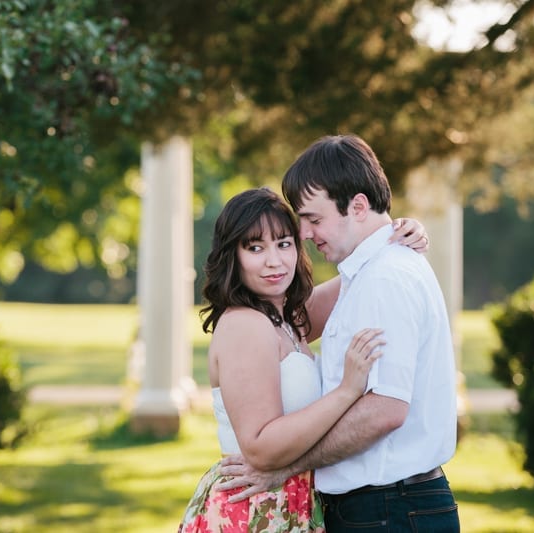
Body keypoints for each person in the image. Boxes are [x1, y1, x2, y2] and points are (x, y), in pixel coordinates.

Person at [218, 135, 460, 532]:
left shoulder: (384, 277)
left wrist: (291, 467)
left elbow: (384, 410)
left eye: (313, 219)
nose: (306, 235)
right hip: (380, 506)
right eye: (256, 248)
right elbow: (301, 316)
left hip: (389, 508)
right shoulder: (363, 275)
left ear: (359, 206)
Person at [177, 186, 429, 533]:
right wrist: (346, 391)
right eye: (255, 247)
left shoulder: (287, 319)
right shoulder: (245, 325)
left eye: (284, 243)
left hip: (290, 500)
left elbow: (362, 273)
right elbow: (260, 448)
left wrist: (396, 234)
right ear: (232, 255)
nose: (274, 261)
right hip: (254, 508)